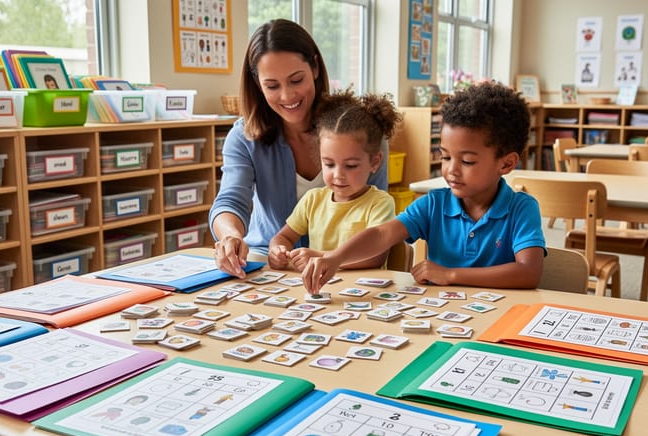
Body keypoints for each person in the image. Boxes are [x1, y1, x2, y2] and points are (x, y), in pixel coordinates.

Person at [303, 81, 545, 294]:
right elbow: (382, 234)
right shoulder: (433, 204)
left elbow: (528, 273)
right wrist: (335, 257)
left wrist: (450, 275)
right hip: (443, 317)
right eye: (446, 157)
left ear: (507, 163)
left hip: (498, 319)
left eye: (468, 161)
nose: (451, 170)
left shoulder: (521, 208)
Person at [209, 19, 389, 278]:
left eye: (296, 80)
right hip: (272, 266)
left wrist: (329, 259)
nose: (287, 96)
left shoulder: (359, 133)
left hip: (346, 270)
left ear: (315, 67)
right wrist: (231, 236)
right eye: (272, 86)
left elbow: (378, 228)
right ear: (258, 84)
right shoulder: (243, 137)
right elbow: (230, 200)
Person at [268, 90, 401, 271]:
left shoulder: (379, 203)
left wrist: (321, 257)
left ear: (375, 162)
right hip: (320, 291)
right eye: (329, 164)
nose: (338, 174)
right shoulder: (313, 199)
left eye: (351, 166)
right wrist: (277, 250)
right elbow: (283, 237)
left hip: (364, 291)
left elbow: (375, 257)